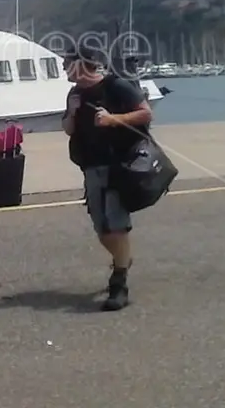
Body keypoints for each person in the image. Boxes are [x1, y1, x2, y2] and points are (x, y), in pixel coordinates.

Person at [62, 41, 153, 311]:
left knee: (116, 223)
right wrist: (73, 112)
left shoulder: (116, 86)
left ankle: (119, 283)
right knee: (101, 228)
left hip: (119, 166)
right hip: (91, 167)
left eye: (67, 63)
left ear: (81, 64)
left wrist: (113, 119)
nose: (64, 68)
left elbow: (146, 113)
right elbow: (68, 128)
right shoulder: (74, 94)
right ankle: (123, 258)